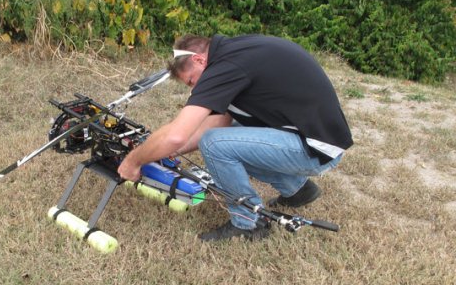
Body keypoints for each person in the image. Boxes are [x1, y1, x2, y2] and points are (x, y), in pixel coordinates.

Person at [118, 34, 353, 242]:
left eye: (191, 81)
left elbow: (178, 134)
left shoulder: (225, 66)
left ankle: (248, 223)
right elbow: (219, 121)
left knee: (214, 143)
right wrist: (167, 151)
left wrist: (133, 161)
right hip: (315, 137)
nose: (194, 89)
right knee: (222, 137)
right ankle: (298, 189)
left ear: (200, 60)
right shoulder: (236, 53)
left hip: (315, 148)